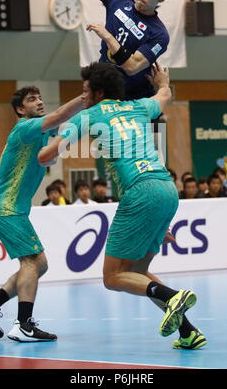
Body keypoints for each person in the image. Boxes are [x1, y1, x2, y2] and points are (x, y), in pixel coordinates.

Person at [38, 62, 206, 350]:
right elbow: (164, 95)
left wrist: (32, 144)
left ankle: (171, 297)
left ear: (98, 92)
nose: (82, 97)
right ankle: (188, 332)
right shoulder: (139, 106)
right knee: (136, 273)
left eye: (85, 91)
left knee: (113, 277)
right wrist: (163, 82)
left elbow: (47, 157)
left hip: (140, 194)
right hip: (166, 190)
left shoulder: (88, 116)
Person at [0, 86, 82, 342]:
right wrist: (86, 97)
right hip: (5, 207)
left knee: (38, 264)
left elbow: (50, 157)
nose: (40, 102)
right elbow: (59, 116)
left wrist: (71, 129)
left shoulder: (41, 134)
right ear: (21, 109)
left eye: (40, 97)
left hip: (15, 209)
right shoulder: (24, 127)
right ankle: (23, 324)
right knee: (31, 262)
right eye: (32, 99)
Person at [88, 0, 176, 100]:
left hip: (137, 99)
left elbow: (132, 66)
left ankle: (159, 123)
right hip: (104, 92)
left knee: (159, 125)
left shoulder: (159, 34)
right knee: (83, 121)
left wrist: (108, 37)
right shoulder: (118, 2)